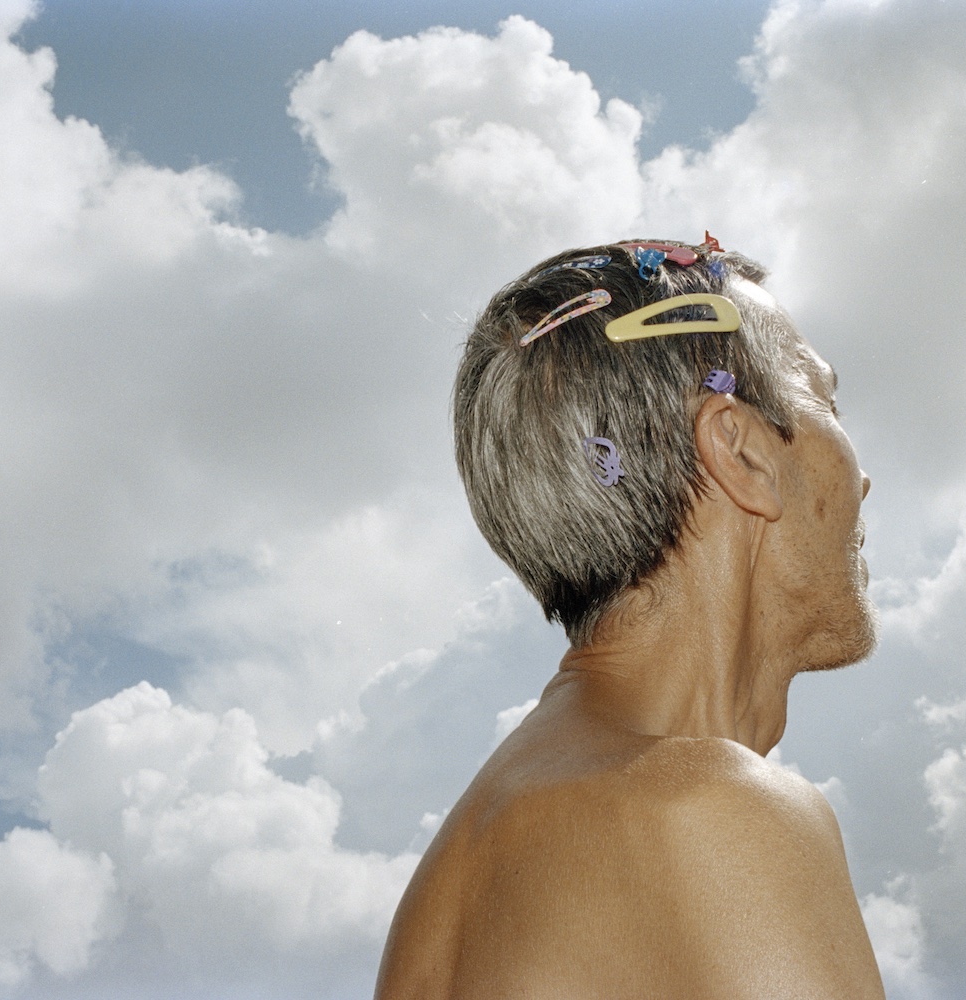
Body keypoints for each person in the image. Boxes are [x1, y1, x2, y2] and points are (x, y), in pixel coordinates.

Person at [375, 237, 885, 999]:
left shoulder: (458, 877)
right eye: (828, 401)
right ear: (738, 453)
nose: (863, 474)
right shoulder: (714, 816)